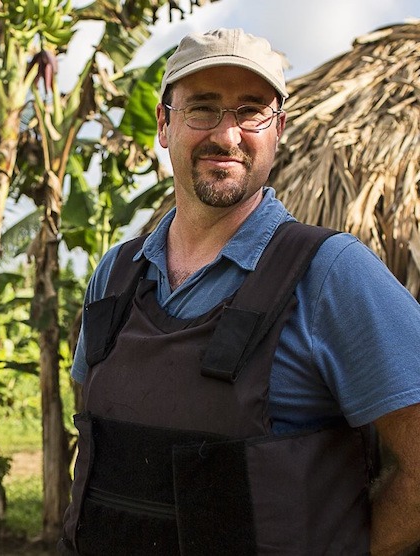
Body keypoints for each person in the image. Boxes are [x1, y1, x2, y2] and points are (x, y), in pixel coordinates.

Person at [59, 28, 420, 555]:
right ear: (164, 125)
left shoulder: (331, 273)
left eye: (251, 111)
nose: (227, 136)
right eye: (202, 109)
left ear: (278, 129)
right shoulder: (116, 274)